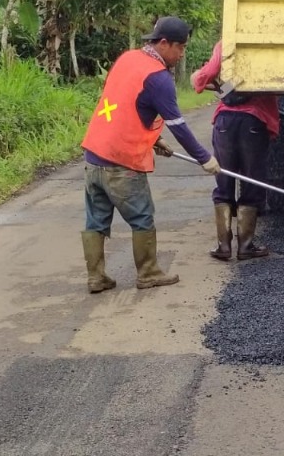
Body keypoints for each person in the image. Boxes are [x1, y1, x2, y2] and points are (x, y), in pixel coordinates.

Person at [80, 16, 221, 292]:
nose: (181, 55)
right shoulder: (159, 78)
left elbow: (125, 105)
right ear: (164, 43)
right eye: (180, 48)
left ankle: (96, 277)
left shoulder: (127, 59)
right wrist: (205, 158)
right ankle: (149, 272)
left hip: (94, 154)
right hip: (121, 161)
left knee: (95, 219)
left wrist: (154, 139)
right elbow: (178, 126)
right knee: (142, 216)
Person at [191, 41, 281, 260]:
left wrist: (198, 78)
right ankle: (246, 246)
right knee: (252, 180)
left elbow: (209, 72)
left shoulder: (227, 41)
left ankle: (223, 246)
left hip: (225, 121)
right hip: (254, 120)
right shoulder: (271, 43)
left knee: (224, 179)